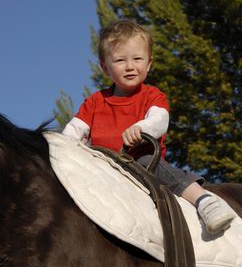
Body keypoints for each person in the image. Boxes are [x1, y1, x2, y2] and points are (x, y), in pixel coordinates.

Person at [62, 19, 234, 235]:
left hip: (140, 160)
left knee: (156, 167)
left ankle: (204, 200)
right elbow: (74, 131)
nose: (130, 66)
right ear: (105, 67)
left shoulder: (152, 95)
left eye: (137, 59)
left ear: (149, 64)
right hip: (103, 164)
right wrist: (63, 150)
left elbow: (159, 119)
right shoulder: (95, 101)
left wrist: (142, 128)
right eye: (120, 60)